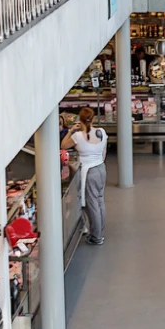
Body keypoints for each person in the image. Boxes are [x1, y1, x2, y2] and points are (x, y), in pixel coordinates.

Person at [69, 105, 109, 245]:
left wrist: (71, 130)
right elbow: (103, 152)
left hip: (88, 172)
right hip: (100, 168)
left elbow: (63, 145)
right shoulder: (102, 132)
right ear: (93, 119)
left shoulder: (77, 136)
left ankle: (96, 237)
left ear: (80, 119)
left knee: (91, 205)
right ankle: (100, 232)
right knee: (99, 200)